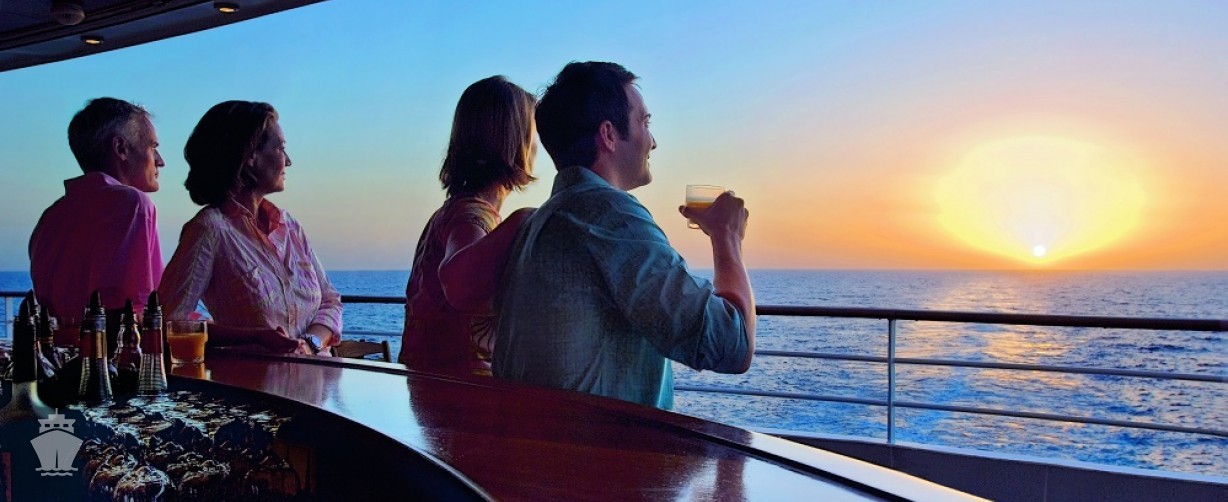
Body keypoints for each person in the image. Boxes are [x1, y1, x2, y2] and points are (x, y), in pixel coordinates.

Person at [492, 62, 757, 409]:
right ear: (608, 135)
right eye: (645, 122)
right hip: (598, 444)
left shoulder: (538, 224)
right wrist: (727, 236)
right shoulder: (609, 217)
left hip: (539, 438)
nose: (653, 142)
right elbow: (732, 345)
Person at [160, 101, 341, 355]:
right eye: (281, 148)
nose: (288, 161)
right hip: (256, 379)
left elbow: (330, 301)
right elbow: (170, 321)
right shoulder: (209, 229)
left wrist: (310, 344)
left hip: (316, 378)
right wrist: (255, 338)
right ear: (250, 157)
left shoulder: (290, 227)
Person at [399, 76, 537, 376]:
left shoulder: (454, 211)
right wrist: (524, 219)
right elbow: (460, 283)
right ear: (516, 142)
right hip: (457, 391)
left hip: (430, 385)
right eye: (533, 133)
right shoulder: (470, 217)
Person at [29, 97, 165, 346]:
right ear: (121, 149)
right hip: (105, 362)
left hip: (59, 359)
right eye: (152, 147)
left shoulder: (50, 216)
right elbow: (123, 313)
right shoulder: (132, 204)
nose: (160, 161)